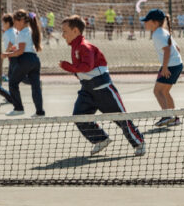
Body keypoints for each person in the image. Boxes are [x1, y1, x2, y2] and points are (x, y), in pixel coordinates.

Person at [58, 15, 145, 157]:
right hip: (87, 90)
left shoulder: (84, 46)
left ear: (75, 31)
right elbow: (82, 70)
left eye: (65, 31)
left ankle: (139, 143)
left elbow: (87, 66)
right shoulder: (75, 47)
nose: (63, 35)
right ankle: (100, 139)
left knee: (121, 118)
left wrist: (67, 66)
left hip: (103, 89)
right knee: (79, 117)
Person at [141, 9, 183, 128]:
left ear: (155, 22)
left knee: (158, 91)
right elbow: (177, 48)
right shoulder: (163, 32)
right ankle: (175, 118)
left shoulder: (157, 34)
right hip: (177, 64)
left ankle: (167, 116)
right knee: (164, 92)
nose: (145, 23)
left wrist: (165, 68)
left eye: (147, 21)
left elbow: (167, 50)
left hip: (170, 66)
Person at [5, 10, 44, 117]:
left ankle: (18, 108)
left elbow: (21, 51)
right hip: (35, 60)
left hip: (25, 59)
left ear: (22, 21)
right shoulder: (31, 30)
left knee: (13, 83)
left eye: (15, 22)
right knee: (35, 86)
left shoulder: (22, 33)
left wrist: (6, 54)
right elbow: (24, 47)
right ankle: (40, 112)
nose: (14, 25)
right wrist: (14, 49)